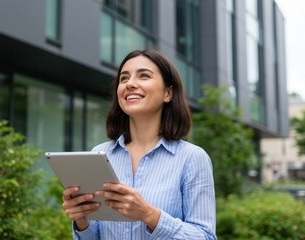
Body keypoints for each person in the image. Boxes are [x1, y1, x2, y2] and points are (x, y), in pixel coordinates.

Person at [62, 49, 217, 239]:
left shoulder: (192, 158)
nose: (131, 84)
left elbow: (205, 236)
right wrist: (81, 220)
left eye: (144, 76)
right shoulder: (99, 154)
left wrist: (149, 215)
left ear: (168, 93)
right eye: (124, 78)